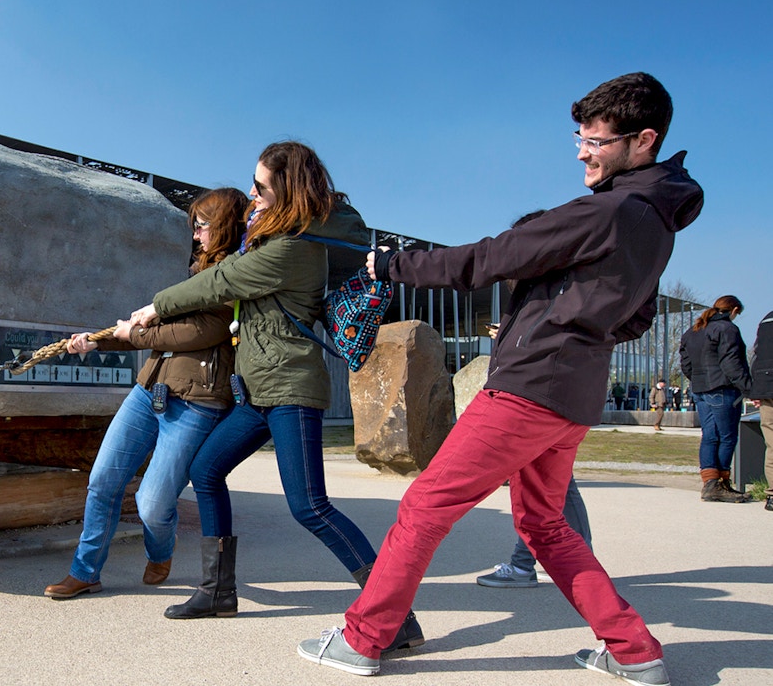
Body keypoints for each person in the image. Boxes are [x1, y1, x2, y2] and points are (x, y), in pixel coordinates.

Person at [298, 72, 700, 686]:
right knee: (543, 524)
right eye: (580, 137)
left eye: (596, 141)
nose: (582, 151)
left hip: (528, 390)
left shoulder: (608, 210)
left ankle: (362, 639)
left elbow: (489, 258)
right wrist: (570, 331)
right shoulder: (656, 225)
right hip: (573, 395)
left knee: (424, 507)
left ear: (643, 140)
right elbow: (636, 318)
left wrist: (389, 265)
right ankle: (634, 650)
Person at [129, 141, 421, 648]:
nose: (251, 194)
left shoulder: (291, 250)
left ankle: (393, 616)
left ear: (285, 190)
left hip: (291, 388)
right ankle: (218, 591)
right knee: (206, 470)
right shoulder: (274, 238)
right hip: (259, 391)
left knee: (310, 506)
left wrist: (156, 307)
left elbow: (221, 282)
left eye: (260, 186)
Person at [43, 188, 247, 599]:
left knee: (154, 504)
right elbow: (156, 337)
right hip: (148, 392)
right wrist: (98, 342)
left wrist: (135, 333)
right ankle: (85, 572)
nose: (197, 235)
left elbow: (200, 332)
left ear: (223, 226)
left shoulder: (235, 274)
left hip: (197, 403)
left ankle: (160, 550)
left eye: (202, 226)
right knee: (103, 480)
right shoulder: (194, 273)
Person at [473, 211, 594, 590]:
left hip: (536, 400)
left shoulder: (550, 291)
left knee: (435, 499)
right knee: (548, 491)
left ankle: (559, 561)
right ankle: (544, 562)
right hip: (550, 400)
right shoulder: (553, 290)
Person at [679, 295, 753, 503]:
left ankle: (710, 484)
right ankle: (721, 483)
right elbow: (732, 363)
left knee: (710, 436)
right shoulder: (727, 329)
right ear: (734, 309)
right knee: (727, 437)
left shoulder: (692, 331)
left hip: (700, 389)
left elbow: (685, 363)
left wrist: (697, 380)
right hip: (722, 388)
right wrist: (749, 388)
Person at [750, 310, 773, 512]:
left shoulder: (766, 320)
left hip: (766, 386)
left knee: (772, 443)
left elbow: (756, 356)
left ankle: (772, 495)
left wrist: (756, 389)